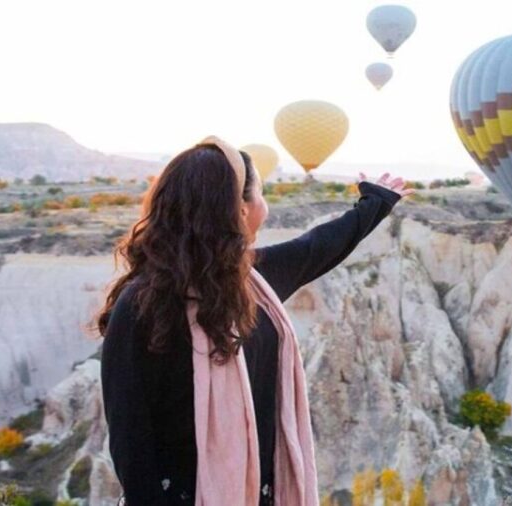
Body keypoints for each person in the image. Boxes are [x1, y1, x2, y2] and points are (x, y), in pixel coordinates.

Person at [97, 137, 413, 505]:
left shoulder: (253, 281)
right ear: (240, 209)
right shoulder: (142, 303)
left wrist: (375, 203)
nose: (266, 206)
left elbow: (319, 246)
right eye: (260, 194)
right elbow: (129, 433)